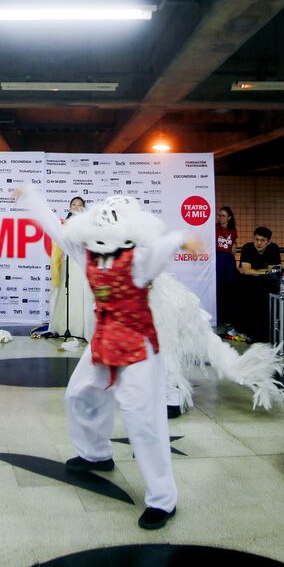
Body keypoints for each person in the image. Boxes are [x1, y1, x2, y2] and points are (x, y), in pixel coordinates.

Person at [15, 186, 197, 530]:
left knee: (141, 418)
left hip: (138, 345)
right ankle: (96, 453)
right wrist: (31, 198)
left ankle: (163, 498)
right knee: (80, 392)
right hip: (104, 338)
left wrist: (180, 239)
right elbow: (57, 229)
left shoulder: (140, 259)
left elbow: (162, 247)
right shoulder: (88, 254)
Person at [49, 196, 91, 342]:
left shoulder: (89, 225)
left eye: (80, 205)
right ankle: (66, 328)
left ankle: (83, 329)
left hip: (83, 264)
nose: (76, 206)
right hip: (69, 263)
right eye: (74, 204)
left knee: (82, 295)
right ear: (69, 207)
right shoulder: (64, 224)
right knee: (69, 294)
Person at [214, 206, 238, 326]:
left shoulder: (233, 230)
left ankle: (228, 317)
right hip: (218, 258)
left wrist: (235, 245)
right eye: (219, 215)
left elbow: (234, 242)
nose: (220, 217)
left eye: (223, 215)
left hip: (229, 260)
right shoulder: (215, 228)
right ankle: (218, 316)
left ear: (229, 217)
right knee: (219, 286)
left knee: (229, 287)